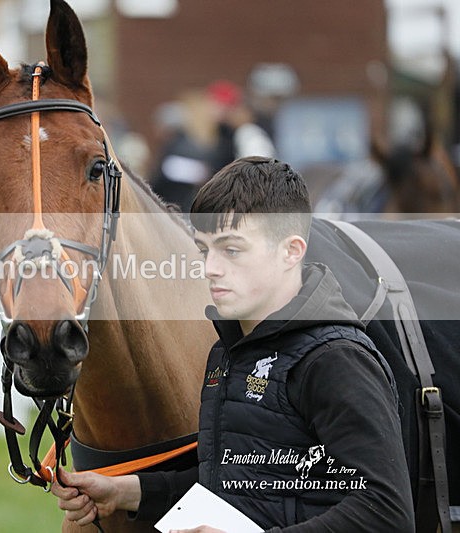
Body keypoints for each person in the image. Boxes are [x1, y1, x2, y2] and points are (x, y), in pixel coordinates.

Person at [52, 157, 415, 532]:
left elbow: (386, 512)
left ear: (291, 251)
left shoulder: (335, 360)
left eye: (232, 250)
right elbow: (233, 480)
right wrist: (129, 492)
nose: (210, 268)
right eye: (204, 250)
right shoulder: (229, 350)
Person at [206, 81, 276, 173]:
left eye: (215, 104)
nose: (209, 109)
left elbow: (260, 172)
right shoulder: (225, 130)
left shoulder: (249, 132)